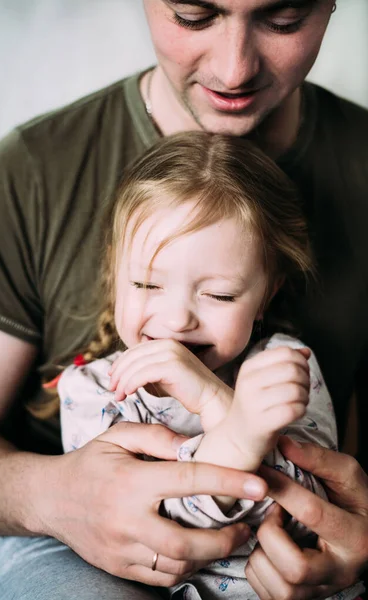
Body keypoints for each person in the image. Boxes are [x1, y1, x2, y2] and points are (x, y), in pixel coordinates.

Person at [0, 0, 367, 599]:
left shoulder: (285, 364)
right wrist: (52, 497)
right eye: (193, 15)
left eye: (282, 20)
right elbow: (171, 510)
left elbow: (310, 487)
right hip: (65, 551)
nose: (234, 70)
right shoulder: (32, 173)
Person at [54, 131, 362, 600]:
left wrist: (215, 401)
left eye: (218, 294)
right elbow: (144, 528)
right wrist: (234, 428)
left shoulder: (283, 366)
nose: (177, 319)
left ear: (267, 295)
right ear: (116, 277)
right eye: (146, 284)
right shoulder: (92, 391)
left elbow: (311, 515)